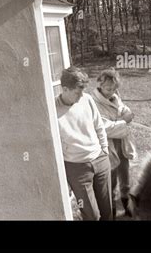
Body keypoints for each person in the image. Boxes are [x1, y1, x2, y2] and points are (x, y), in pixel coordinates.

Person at [55, 66, 112, 220]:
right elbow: (55, 147)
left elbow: (99, 125)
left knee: (107, 212)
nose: (81, 95)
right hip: (77, 169)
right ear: (65, 89)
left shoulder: (87, 99)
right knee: (91, 215)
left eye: (83, 90)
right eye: (77, 92)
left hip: (100, 160)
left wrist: (104, 150)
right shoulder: (53, 110)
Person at [91, 68, 136, 218]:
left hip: (121, 144)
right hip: (108, 146)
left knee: (126, 179)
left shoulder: (115, 97)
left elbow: (123, 110)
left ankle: (127, 205)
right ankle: (111, 212)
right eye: (107, 88)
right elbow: (104, 128)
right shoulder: (94, 102)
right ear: (100, 84)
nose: (111, 91)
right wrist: (124, 121)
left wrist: (126, 114)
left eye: (114, 88)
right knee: (111, 183)